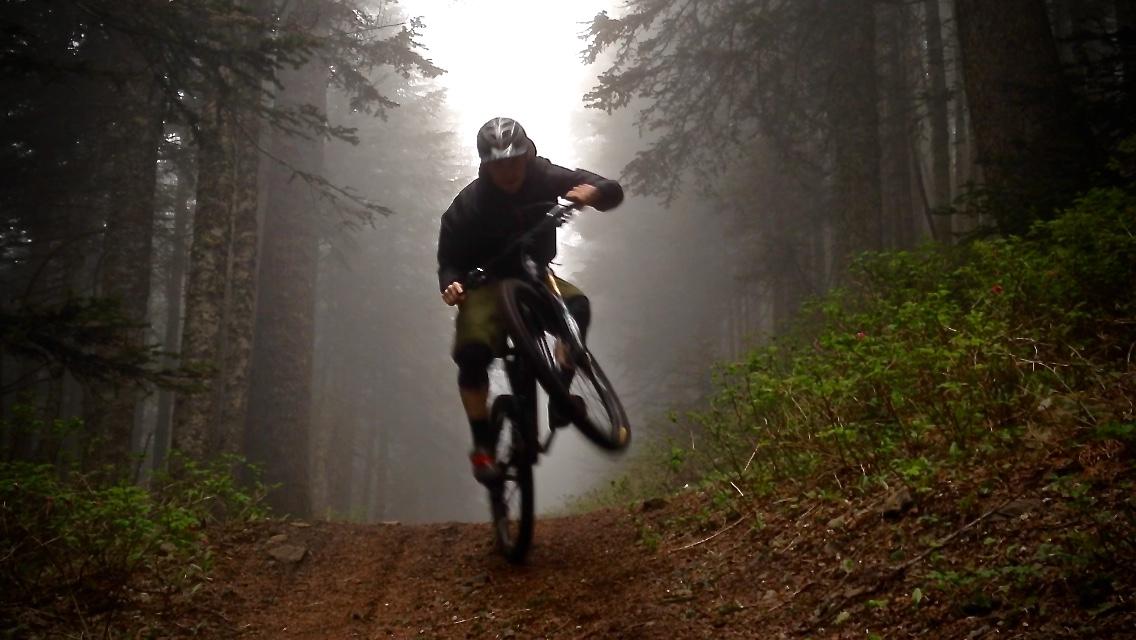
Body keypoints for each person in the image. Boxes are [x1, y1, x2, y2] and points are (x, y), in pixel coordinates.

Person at [436, 117, 624, 484]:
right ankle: (482, 447)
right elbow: (449, 261)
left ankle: (561, 390)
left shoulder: (544, 175)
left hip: (538, 275)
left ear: (528, 156)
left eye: (515, 161)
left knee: (578, 308)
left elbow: (609, 189)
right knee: (472, 352)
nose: (508, 171)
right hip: (487, 285)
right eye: (498, 164)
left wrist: (593, 193)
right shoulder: (469, 205)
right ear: (486, 166)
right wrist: (452, 284)